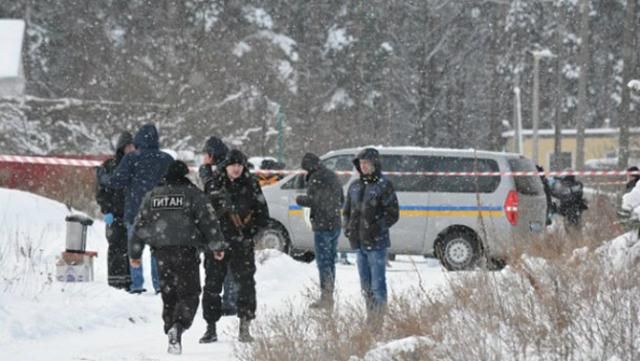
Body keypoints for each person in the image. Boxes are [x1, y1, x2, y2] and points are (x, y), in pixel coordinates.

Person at [129, 160, 226, 355]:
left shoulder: (152, 196)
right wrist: (217, 245)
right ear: (184, 175)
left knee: (169, 293)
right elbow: (209, 221)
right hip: (186, 251)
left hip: (161, 252)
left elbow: (139, 225)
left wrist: (135, 253)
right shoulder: (193, 195)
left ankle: (170, 326)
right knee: (189, 293)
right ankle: (178, 327)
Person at [199, 149, 269, 343]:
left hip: (242, 244)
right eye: (233, 165)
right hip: (217, 244)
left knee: (246, 285)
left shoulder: (252, 185)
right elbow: (204, 217)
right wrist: (211, 241)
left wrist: (250, 234)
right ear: (226, 166)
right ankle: (210, 328)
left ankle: (245, 327)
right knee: (212, 286)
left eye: (239, 165)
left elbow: (263, 215)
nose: (236, 169)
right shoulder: (213, 185)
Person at [97, 123, 174, 294]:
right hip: (160, 212)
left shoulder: (132, 158)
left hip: (135, 212)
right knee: (158, 252)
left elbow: (116, 181)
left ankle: (136, 285)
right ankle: (160, 285)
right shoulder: (167, 159)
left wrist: (102, 176)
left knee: (135, 250)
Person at [343, 148, 399, 325]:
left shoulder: (384, 185)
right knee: (365, 287)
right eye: (361, 163)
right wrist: (348, 228)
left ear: (375, 164)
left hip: (377, 245)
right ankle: (371, 318)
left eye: (366, 163)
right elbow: (346, 212)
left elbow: (393, 213)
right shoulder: (354, 186)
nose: (363, 166)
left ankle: (378, 322)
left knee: (378, 286)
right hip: (359, 244)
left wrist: (377, 227)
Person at [295, 152, 344, 310]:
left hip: (323, 225)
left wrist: (300, 200)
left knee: (323, 263)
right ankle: (329, 295)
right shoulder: (332, 175)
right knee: (330, 262)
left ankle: (326, 298)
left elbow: (316, 201)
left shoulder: (316, 177)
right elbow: (341, 200)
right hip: (335, 223)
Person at [95, 131, 135, 290]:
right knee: (115, 247)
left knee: (131, 249)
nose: (133, 149)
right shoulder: (110, 166)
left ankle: (130, 282)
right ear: (123, 147)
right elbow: (101, 191)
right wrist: (107, 210)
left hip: (132, 215)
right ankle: (115, 283)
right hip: (115, 215)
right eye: (130, 146)